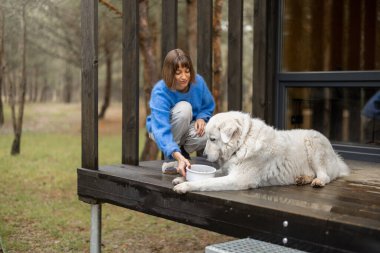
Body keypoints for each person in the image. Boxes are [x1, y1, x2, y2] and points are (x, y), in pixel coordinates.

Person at [146, 49, 215, 177]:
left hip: (186, 126)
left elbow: (208, 105)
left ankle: (181, 154)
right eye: (178, 73)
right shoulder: (160, 92)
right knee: (185, 108)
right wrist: (176, 154)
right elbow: (161, 128)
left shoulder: (198, 82)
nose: (184, 77)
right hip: (160, 129)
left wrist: (202, 118)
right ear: (169, 73)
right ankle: (174, 157)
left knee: (209, 133)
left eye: (187, 71)